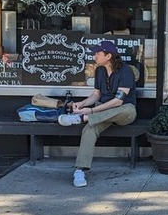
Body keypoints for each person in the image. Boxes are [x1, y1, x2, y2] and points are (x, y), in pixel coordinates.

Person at [58, 40, 137, 187]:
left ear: (108, 56)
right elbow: (96, 95)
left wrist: (91, 112)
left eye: (98, 53)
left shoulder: (125, 71)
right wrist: (82, 104)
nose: (95, 56)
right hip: (102, 112)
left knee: (127, 109)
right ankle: (80, 170)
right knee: (89, 128)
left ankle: (83, 118)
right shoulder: (99, 70)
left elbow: (118, 101)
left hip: (122, 112)